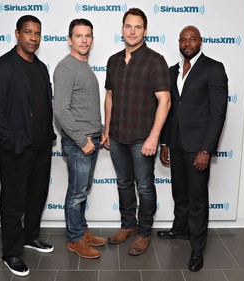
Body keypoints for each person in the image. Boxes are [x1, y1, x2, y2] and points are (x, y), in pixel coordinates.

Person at [0, 15, 56, 277]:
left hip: (40, 147)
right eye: (28, 32)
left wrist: (48, 135)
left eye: (37, 33)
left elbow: (44, 105)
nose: (33, 38)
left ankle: (30, 236)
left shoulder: (40, 67)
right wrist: (12, 142)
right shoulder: (2, 67)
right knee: (14, 202)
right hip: (16, 149)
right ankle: (12, 252)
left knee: (37, 196)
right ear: (17, 34)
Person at [157, 25, 228, 272]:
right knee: (180, 192)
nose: (187, 43)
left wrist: (206, 150)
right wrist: (165, 142)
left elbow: (218, 113)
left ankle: (197, 247)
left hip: (198, 146)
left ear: (200, 41)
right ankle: (180, 229)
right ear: (179, 43)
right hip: (176, 144)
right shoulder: (171, 70)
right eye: (183, 40)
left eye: (192, 39)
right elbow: (169, 110)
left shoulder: (214, 68)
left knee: (197, 198)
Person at [103, 8, 171, 256]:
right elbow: (109, 96)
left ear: (145, 30)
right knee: (123, 184)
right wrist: (107, 129)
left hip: (143, 138)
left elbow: (165, 101)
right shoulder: (113, 61)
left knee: (144, 186)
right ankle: (128, 225)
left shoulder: (155, 60)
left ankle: (144, 232)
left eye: (138, 27)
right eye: (128, 26)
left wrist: (154, 136)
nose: (132, 31)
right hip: (118, 136)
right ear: (122, 29)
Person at [53, 18, 106, 259]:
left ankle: (81, 231)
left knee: (82, 190)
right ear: (69, 39)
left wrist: (101, 130)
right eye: (78, 35)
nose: (84, 40)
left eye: (88, 35)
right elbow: (61, 110)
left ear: (92, 39)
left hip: (91, 139)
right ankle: (75, 239)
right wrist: (82, 140)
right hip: (79, 142)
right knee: (76, 193)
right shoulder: (66, 67)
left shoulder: (84, 67)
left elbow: (85, 107)